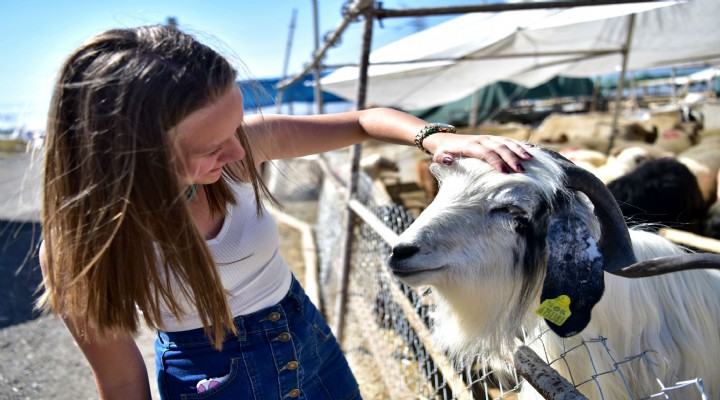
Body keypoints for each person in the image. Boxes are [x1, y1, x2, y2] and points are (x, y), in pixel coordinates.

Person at [37, 24, 532, 400]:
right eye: (210, 146)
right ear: (132, 153)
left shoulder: (237, 149)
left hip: (307, 335)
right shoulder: (81, 246)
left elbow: (363, 120)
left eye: (236, 126)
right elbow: (121, 378)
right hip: (217, 377)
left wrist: (436, 137)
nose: (238, 152)